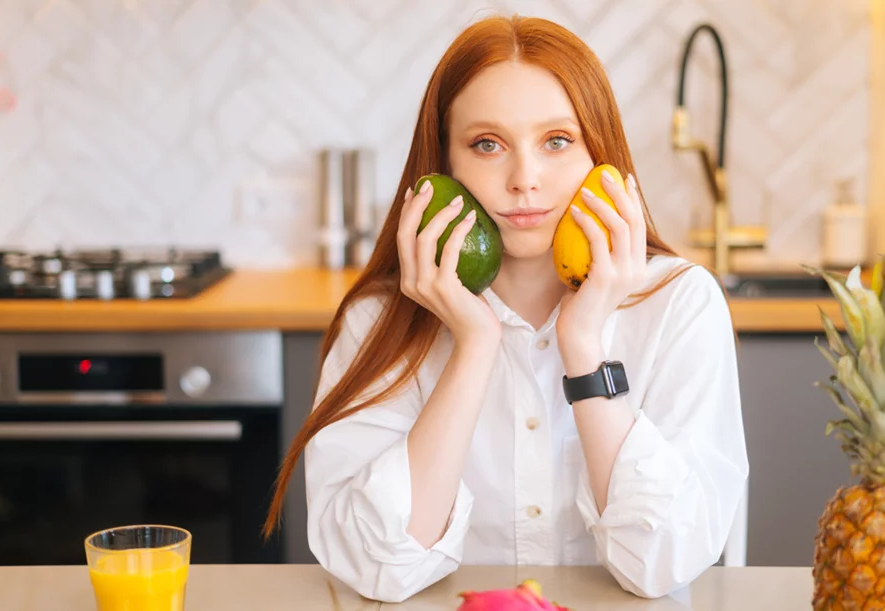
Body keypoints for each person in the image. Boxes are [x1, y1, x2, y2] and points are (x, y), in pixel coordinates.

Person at [263, 13, 749, 604]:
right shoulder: (377, 320)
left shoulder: (680, 305)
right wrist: (474, 345)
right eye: (487, 144)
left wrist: (585, 347)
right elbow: (375, 568)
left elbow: (661, 565)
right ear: (443, 165)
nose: (525, 179)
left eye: (557, 141)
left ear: (602, 154)